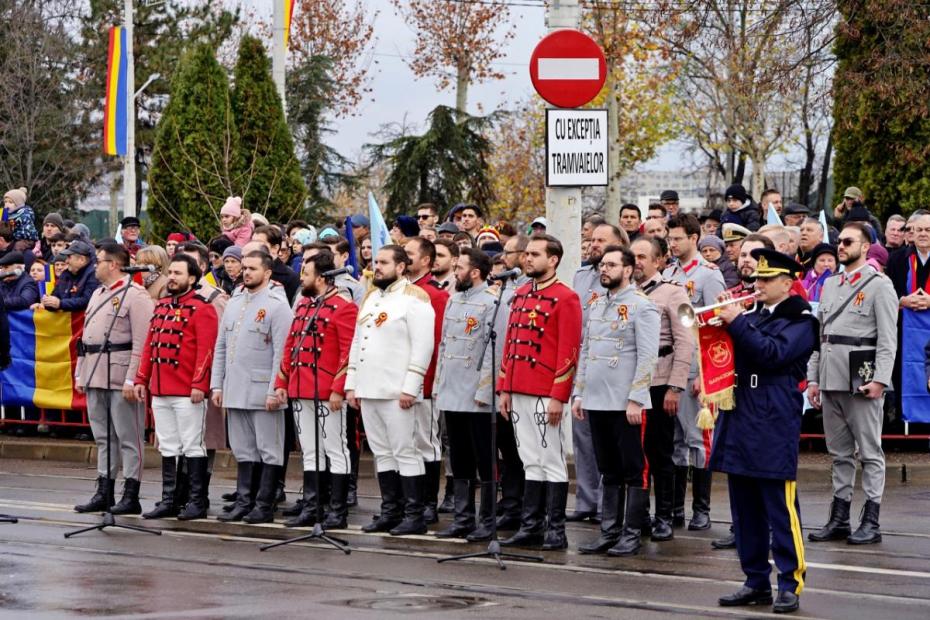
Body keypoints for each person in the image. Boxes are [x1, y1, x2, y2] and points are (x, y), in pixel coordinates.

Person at [713, 248, 818, 615]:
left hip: (773, 419)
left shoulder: (801, 320)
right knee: (744, 509)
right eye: (757, 278)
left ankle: (790, 582)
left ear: (787, 283)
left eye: (767, 279)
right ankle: (755, 580)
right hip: (741, 414)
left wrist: (736, 323)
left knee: (780, 509)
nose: (758, 284)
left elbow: (772, 354)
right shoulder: (751, 314)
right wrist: (717, 326)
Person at [807, 222, 898, 546]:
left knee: (870, 452)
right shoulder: (830, 285)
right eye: (840, 241)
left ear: (865, 246)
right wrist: (814, 379)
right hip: (831, 377)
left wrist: (880, 379)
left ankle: (871, 519)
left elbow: (888, 339)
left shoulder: (880, 285)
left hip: (862, 376)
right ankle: (840, 517)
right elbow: (820, 337)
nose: (841, 246)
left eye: (848, 241)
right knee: (839, 453)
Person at [573, 245, 659, 557]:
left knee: (633, 468)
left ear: (628, 269)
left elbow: (648, 357)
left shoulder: (642, 306)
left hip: (625, 403)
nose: (604, 269)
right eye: (602, 265)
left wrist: (637, 398)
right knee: (607, 468)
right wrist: (579, 392)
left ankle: (631, 534)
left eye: (611, 265)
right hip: (596, 400)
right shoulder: (597, 304)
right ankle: (609, 531)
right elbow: (587, 351)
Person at [498, 235, 582, 550]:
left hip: (545, 391)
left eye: (535, 254)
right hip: (518, 387)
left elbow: (569, 351)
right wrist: (504, 388)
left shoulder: (566, 297)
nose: (528, 259)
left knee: (552, 460)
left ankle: (556, 530)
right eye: (527, 254)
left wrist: (559, 396)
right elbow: (510, 344)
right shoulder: (520, 293)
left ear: (554, 259)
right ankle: (531, 526)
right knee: (530, 460)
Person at [345, 245, 435, 536]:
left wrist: (411, 387)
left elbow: (423, 347)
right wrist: (352, 384)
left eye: (384, 262)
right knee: (382, 454)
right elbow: (358, 341)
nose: (377, 267)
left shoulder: (415, 298)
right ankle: (390, 511)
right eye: (375, 262)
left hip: (397, 391)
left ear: (400, 266)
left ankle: (414, 515)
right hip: (370, 387)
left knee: (405, 452)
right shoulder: (371, 297)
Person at [274, 252, 357, 529]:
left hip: (327, 390)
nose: (301, 279)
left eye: (306, 274)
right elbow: (291, 345)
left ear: (321, 278)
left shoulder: (343, 306)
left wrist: (338, 389)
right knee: (310, 451)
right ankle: (313, 507)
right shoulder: (303, 305)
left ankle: (337, 511)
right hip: (301, 387)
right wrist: (282, 382)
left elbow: (348, 352)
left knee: (335, 449)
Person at [135, 254, 219, 520]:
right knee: (168, 446)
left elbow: (206, 351)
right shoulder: (161, 306)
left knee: (193, 445)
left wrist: (199, 384)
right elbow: (150, 347)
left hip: (187, 391)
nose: (171, 277)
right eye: (170, 272)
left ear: (192, 278)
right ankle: (169, 500)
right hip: (161, 388)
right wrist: (141, 379)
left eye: (177, 273)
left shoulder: (202, 308)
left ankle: (197, 501)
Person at [73, 243, 154, 516]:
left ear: (114, 264)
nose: (95, 265)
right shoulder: (98, 293)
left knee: (129, 437)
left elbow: (142, 341)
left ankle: (131, 493)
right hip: (96, 371)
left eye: (98, 261)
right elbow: (85, 338)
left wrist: (133, 379)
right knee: (103, 437)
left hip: (120, 374)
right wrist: (81, 372)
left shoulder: (136, 295)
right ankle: (104, 490)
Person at [211, 251, 292, 524]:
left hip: (262, 390)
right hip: (235, 387)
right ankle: (244, 502)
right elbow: (222, 346)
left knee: (269, 449)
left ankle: (264, 504)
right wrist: (217, 384)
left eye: (253, 268)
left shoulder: (277, 305)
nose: (246, 272)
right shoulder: (235, 301)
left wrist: (274, 389)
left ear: (267, 273)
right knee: (243, 449)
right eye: (244, 267)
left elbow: (282, 353)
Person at [663, 214, 726, 531]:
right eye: (670, 238)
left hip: (695, 369)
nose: (672, 244)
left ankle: (701, 509)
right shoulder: (668, 272)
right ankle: (675, 508)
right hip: (670, 367)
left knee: (697, 440)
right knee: (674, 441)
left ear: (694, 238)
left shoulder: (708, 275)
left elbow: (717, 325)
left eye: (678, 238)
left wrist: (706, 374)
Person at [631, 237, 695, 543]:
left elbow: (686, 340)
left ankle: (665, 516)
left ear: (658, 261)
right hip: (631, 382)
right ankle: (639, 514)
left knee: (660, 453)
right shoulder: (624, 292)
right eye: (632, 256)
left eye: (643, 256)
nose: (636, 262)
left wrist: (675, 386)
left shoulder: (674, 292)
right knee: (634, 453)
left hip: (660, 381)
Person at [432, 248, 497, 540]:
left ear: (475, 272)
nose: (455, 272)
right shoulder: (454, 300)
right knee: (459, 457)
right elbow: (445, 345)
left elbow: (492, 351)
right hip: (452, 389)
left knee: (484, 458)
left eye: (460, 268)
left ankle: (488, 520)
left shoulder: (492, 302)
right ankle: (463, 517)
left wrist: (485, 389)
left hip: (475, 393)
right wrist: (439, 384)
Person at [570, 223, 628, 523]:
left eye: (601, 240)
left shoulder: (625, 278)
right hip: (584, 364)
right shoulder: (580, 276)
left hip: (613, 367)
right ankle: (586, 501)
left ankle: (610, 504)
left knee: (610, 442)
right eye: (591, 239)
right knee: (582, 438)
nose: (593, 244)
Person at [404, 237, 450, 523]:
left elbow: (437, 343)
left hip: (425, 380)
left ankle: (428, 503)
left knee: (425, 442)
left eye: (409, 254)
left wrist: (430, 382)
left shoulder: (434, 294)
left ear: (425, 261)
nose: (404, 257)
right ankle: (409, 502)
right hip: (398, 381)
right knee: (403, 444)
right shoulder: (401, 291)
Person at [44, 240, 99, 312]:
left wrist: (61, 304)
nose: (66, 261)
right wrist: (47, 302)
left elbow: (87, 300)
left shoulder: (94, 274)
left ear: (82, 260)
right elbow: (55, 295)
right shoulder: (66, 274)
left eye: (69, 257)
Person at [252, 225, 300, 303]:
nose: (253, 247)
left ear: (275, 248)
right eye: (252, 242)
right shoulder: (246, 270)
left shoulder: (290, 278)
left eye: (259, 243)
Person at [3, 187, 38, 251]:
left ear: (18, 204)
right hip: (14, 238)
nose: (7, 205)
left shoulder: (24, 214)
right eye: (5, 202)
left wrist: (12, 235)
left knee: (16, 247)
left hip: (26, 239)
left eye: (10, 202)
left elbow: (24, 232)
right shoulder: (7, 214)